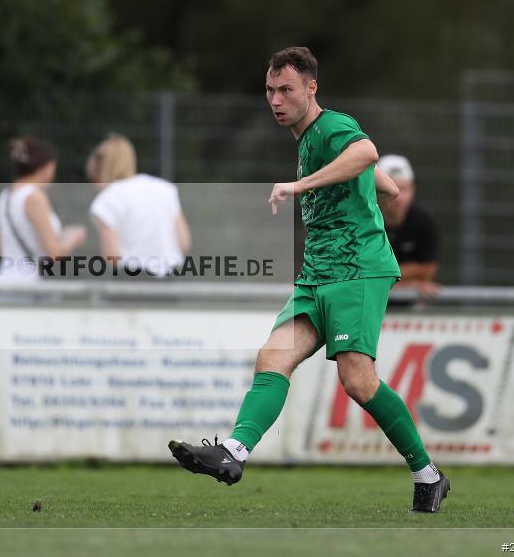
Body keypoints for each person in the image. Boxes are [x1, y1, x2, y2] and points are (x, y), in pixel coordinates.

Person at [168, 47, 450, 513]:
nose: (276, 100)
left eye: (286, 90)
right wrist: (371, 194)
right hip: (318, 273)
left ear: (311, 88)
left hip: (356, 270)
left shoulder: (331, 125)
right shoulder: (306, 140)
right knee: (272, 357)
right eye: (270, 91)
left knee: (358, 381)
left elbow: (366, 152)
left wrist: (301, 187)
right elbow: (385, 183)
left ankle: (428, 474)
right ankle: (233, 452)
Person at [86, 133, 191, 276]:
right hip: (170, 276)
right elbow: (184, 242)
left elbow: (112, 257)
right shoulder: (165, 189)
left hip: (131, 278)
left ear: (100, 168)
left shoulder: (106, 200)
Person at [0, 136, 85, 283]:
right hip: (28, 284)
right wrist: (74, 238)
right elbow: (54, 253)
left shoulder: (6, 195)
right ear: (46, 167)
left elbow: (3, 246)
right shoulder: (34, 197)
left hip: (5, 280)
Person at [377, 154, 441, 297]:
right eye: (390, 188)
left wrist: (384, 276)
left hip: (409, 305)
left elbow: (428, 270)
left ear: (413, 190)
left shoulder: (424, 220)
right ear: (376, 190)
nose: (398, 197)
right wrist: (411, 280)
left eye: (403, 189)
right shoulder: (363, 220)